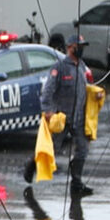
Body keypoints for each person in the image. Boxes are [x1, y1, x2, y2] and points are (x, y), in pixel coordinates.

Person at [23, 34, 93, 196]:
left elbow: (87, 88)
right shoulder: (59, 67)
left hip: (79, 117)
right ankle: (31, 165)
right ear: (70, 47)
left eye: (82, 46)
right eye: (78, 46)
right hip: (61, 117)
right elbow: (48, 90)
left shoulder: (82, 66)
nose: (81, 49)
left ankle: (77, 183)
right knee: (52, 149)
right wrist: (47, 110)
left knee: (82, 150)